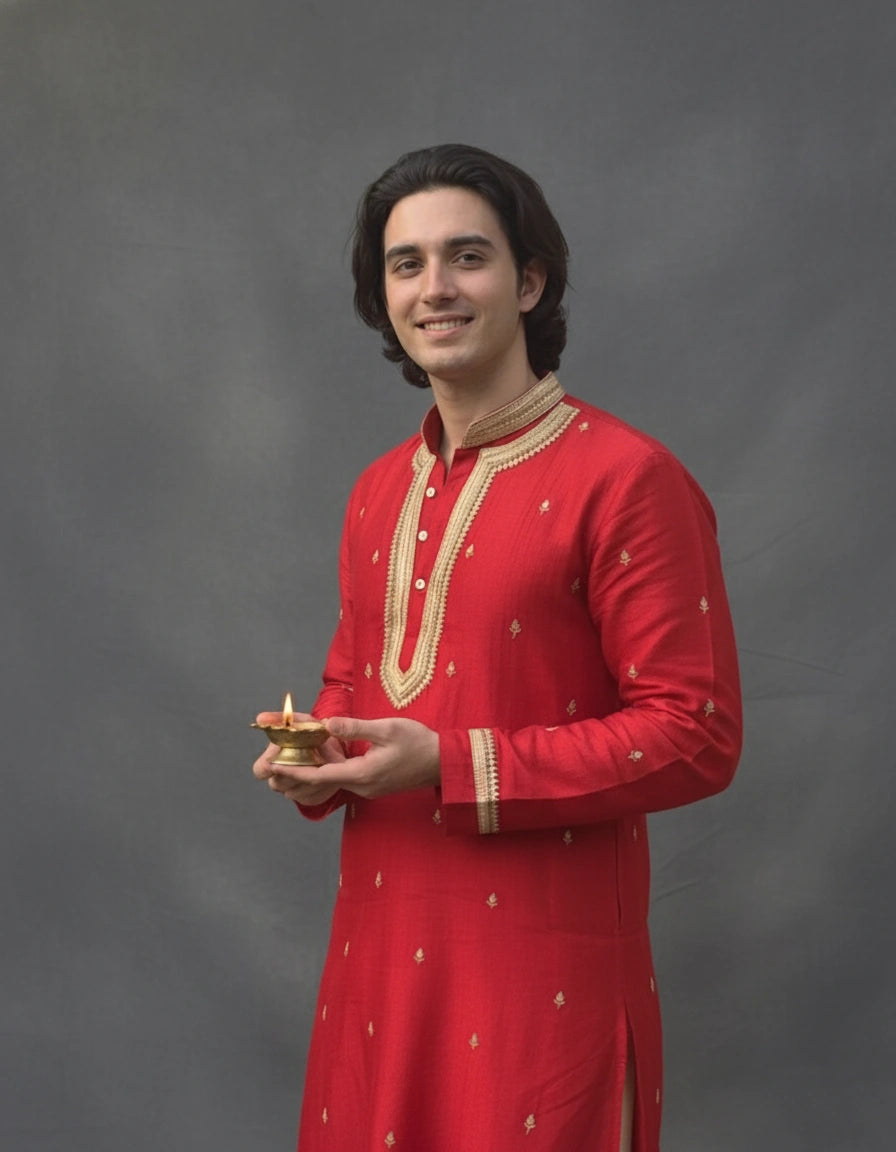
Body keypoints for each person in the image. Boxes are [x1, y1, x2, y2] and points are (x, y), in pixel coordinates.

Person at [253, 144, 742, 1152]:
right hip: (378, 966)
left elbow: (695, 734)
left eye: (466, 257)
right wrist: (318, 758)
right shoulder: (376, 490)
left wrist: (451, 762)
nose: (434, 288)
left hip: (538, 981)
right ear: (382, 296)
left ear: (529, 282)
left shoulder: (627, 479)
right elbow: (352, 685)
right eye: (406, 264)